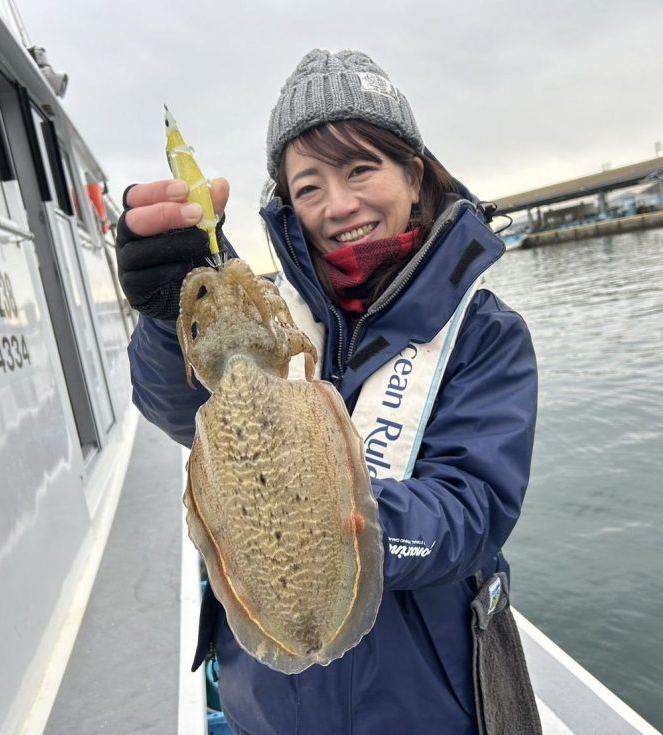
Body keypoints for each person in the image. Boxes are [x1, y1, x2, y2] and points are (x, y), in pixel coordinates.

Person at [115, 49, 539, 735]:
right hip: (268, 710)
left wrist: (333, 515)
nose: (339, 206)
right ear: (287, 205)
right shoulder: (267, 317)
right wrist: (168, 319)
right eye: (309, 186)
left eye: (360, 169)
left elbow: (471, 510)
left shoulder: (485, 334)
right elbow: (177, 409)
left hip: (423, 709)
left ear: (414, 176)